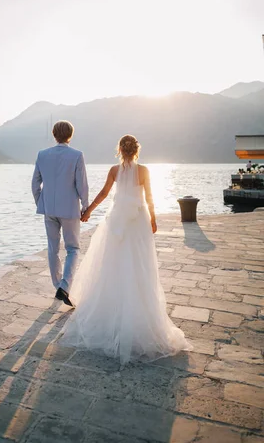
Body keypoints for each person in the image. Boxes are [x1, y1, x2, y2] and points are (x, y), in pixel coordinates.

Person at [60, 134, 192, 364]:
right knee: (140, 264)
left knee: (112, 263)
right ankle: (139, 312)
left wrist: (88, 210)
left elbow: (103, 194)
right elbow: (149, 196)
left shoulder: (114, 170)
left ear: (120, 150)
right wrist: (153, 218)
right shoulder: (144, 171)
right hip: (137, 220)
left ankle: (111, 311)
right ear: (136, 150)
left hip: (117, 220)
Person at [31, 120, 89, 307]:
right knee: (73, 248)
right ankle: (64, 286)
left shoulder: (42, 155)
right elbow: (82, 184)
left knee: (52, 248)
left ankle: (57, 284)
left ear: (54, 134)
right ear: (70, 135)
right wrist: (85, 205)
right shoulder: (77, 155)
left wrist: (41, 202)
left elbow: (35, 184)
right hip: (70, 209)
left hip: (49, 209)